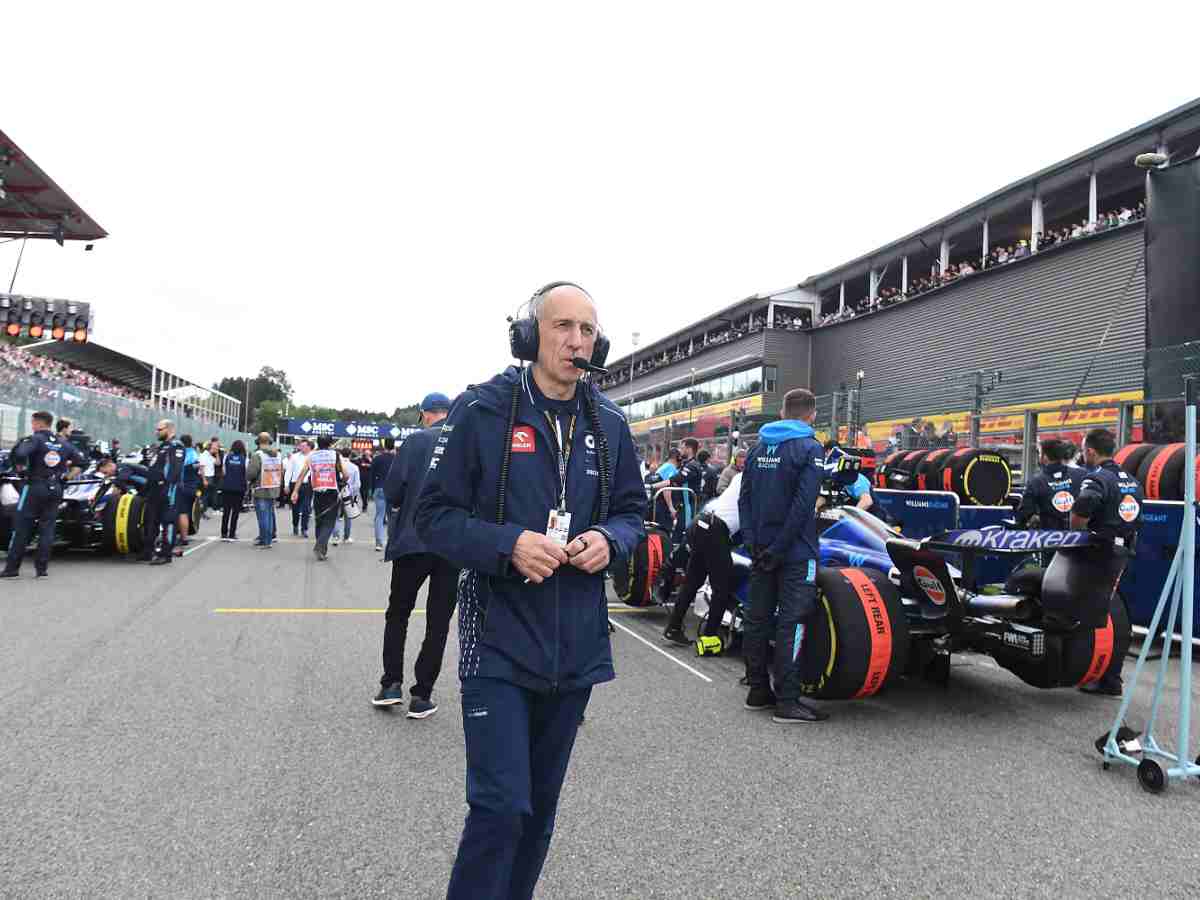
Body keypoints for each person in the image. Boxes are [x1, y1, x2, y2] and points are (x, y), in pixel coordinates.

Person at [415, 282, 644, 899]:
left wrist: (609, 539)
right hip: (497, 643)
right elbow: (431, 516)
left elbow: (632, 512)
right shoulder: (483, 410)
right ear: (528, 336)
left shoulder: (613, 423)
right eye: (562, 326)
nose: (576, 341)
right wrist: (507, 544)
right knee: (500, 808)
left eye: (587, 330)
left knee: (539, 814)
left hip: (575, 652)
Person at [739, 387, 828, 724]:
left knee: (757, 619)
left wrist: (753, 543)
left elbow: (743, 500)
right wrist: (780, 548)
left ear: (781, 413)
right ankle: (787, 701)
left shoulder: (758, 447)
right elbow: (804, 506)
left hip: (760, 549)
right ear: (813, 414)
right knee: (793, 622)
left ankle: (757, 690)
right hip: (794, 552)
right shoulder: (810, 447)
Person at [373, 393, 458, 718]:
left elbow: (392, 491)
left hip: (413, 539)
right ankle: (422, 695)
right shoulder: (466, 441)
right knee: (438, 622)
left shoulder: (415, 442)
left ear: (425, 415)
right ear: (448, 414)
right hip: (452, 543)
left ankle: (391, 684)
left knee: (398, 613)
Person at [1071, 428, 1143, 697]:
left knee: (1098, 614)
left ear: (1090, 451)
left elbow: (1081, 511)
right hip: (1123, 551)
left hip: (1100, 552)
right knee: (1116, 612)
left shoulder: (1098, 478)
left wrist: (1075, 529)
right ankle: (1110, 676)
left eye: (1083, 450)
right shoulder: (1133, 480)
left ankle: (1107, 677)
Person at [662, 470, 743, 649]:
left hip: (701, 522)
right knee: (722, 588)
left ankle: (673, 627)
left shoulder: (740, 476)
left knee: (692, 582)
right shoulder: (758, 482)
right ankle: (709, 637)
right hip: (716, 529)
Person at [1, 410, 86, 578]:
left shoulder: (35, 439)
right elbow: (81, 462)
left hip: (34, 486)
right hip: (55, 487)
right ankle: (41, 569)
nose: (32, 426)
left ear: (38, 423)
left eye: (33, 423)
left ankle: (12, 568)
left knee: (22, 527)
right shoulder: (63, 443)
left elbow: (19, 454)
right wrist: (65, 478)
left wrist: (21, 469)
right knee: (47, 528)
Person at [290, 435, 350, 560]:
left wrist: (295, 491)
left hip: (317, 491)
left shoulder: (312, 456)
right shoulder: (335, 455)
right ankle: (320, 546)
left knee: (319, 520)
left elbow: (302, 475)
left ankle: (322, 551)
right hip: (332, 491)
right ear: (330, 444)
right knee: (329, 522)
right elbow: (346, 474)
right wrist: (343, 481)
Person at [140, 419, 185, 566]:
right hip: (154, 491)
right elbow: (153, 468)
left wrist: (167, 486)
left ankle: (166, 553)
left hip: (168, 491)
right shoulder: (161, 447)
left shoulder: (176, 446)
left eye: (159, 430)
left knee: (168, 521)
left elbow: (174, 471)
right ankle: (148, 551)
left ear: (169, 429)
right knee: (151, 521)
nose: (156, 432)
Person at [1015, 438, 1085, 530]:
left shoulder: (1035, 482)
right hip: (1079, 536)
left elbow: (1024, 514)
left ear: (1045, 457)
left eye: (1040, 453)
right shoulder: (1081, 474)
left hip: (1049, 538)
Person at [247, 433, 284, 547]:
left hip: (261, 488)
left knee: (263, 516)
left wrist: (249, 479)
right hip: (273, 487)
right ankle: (269, 538)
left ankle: (265, 540)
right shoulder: (277, 455)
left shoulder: (257, 455)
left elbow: (251, 473)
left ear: (258, 442)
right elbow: (281, 471)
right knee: (269, 515)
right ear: (270, 441)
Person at [370, 437, 398, 551]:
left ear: (384, 446)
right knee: (392, 517)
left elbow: (372, 476)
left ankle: (378, 543)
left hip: (379, 488)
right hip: (393, 490)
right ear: (393, 445)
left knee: (379, 516)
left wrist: (372, 491)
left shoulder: (377, 458)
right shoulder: (397, 459)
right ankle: (391, 542)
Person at [175, 435, 201, 550]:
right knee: (188, 512)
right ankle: (184, 533)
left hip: (184, 486)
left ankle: (183, 538)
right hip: (193, 486)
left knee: (182, 512)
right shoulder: (195, 454)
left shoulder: (183, 454)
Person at [219, 440, 248, 541]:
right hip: (239, 488)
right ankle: (232, 533)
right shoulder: (245, 459)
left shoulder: (227, 457)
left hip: (227, 486)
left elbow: (223, 471)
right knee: (235, 511)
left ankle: (223, 532)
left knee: (226, 511)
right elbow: (246, 474)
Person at [331, 447, 360, 546]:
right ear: (350, 455)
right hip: (349, 494)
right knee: (348, 516)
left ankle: (335, 537)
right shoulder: (354, 467)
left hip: (337, 493)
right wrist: (354, 495)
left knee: (336, 516)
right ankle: (346, 537)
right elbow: (357, 484)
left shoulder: (336, 465)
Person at [287, 440, 312, 536]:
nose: (301, 448)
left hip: (308, 485)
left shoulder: (313, 457)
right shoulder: (294, 457)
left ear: (309, 447)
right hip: (295, 484)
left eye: (304, 446)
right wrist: (286, 484)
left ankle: (304, 528)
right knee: (295, 508)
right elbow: (289, 471)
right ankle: (295, 525)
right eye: (300, 446)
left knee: (307, 507)